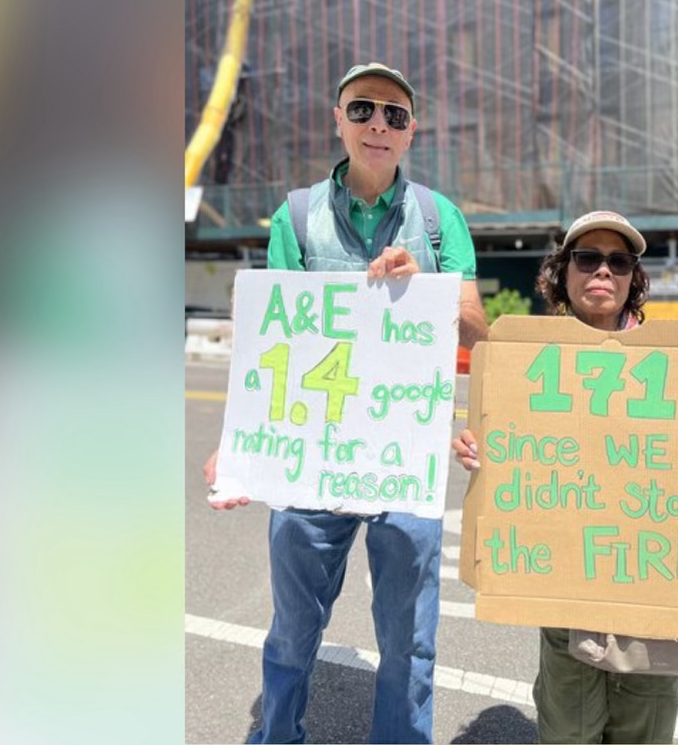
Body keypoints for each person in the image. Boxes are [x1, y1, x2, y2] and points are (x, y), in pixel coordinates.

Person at [203, 62, 489, 744]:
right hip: (311, 464)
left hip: (402, 465)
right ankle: (278, 736)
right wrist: (237, 442)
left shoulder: (439, 219)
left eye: (394, 114)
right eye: (363, 109)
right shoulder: (297, 216)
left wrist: (430, 289)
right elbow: (266, 339)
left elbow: (480, 329)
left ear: (412, 130)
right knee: (292, 636)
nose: (378, 125)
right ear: (339, 120)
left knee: (409, 645)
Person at [450, 210, 678, 744]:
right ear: (563, 272)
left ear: (633, 279)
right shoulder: (527, 362)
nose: (603, 271)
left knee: (642, 736)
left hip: (655, 616)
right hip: (566, 608)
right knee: (567, 732)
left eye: (619, 261)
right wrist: (474, 448)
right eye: (587, 258)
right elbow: (502, 452)